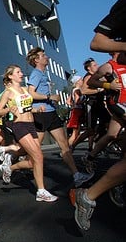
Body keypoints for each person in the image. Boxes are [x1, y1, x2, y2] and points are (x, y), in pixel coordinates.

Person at [73, 0, 126, 230]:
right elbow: (88, 86)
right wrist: (108, 86)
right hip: (112, 106)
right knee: (106, 134)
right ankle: (91, 161)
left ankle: (97, 191)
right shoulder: (109, 66)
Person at [26, 47, 92, 187]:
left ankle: (76, 175)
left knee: (64, 145)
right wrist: (49, 96)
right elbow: (30, 93)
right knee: (34, 151)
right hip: (42, 115)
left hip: (51, 113)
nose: (46, 57)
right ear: (36, 60)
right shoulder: (36, 74)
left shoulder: (44, 74)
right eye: (43, 55)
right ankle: (11, 160)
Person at [0, 65, 58, 202]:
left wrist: (37, 110)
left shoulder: (24, 90)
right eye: (18, 72)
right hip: (19, 125)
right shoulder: (8, 92)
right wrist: (8, 111)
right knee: (38, 156)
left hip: (31, 125)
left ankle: (9, 167)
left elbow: (27, 108)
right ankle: (41, 191)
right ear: (11, 76)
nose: (21, 74)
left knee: (32, 161)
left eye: (21, 72)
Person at [81, 52, 125, 176]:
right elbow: (90, 83)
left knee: (111, 134)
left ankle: (90, 157)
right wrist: (107, 85)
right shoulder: (108, 66)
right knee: (91, 130)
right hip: (117, 102)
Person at [72, 58, 109, 152]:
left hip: (100, 104)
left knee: (108, 124)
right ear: (89, 68)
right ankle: (73, 145)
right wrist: (98, 90)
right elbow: (83, 90)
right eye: (95, 65)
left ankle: (97, 143)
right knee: (90, 130)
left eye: (97, 64)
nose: (97, 66)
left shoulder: (99, 76)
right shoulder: (88, 77)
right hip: (91, 105)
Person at [66, 75, 86, 149]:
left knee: (76, 132)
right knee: (75, 132)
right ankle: (67, 149)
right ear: (77, 81)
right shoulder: (77, 90)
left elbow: (68, 101)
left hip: (75, 110)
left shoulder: (73, 90)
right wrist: (84, 100)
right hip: (78, 111)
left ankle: (68, 148)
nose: (82, 81)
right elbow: (78, 101)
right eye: (81, 80)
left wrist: (73, 105)